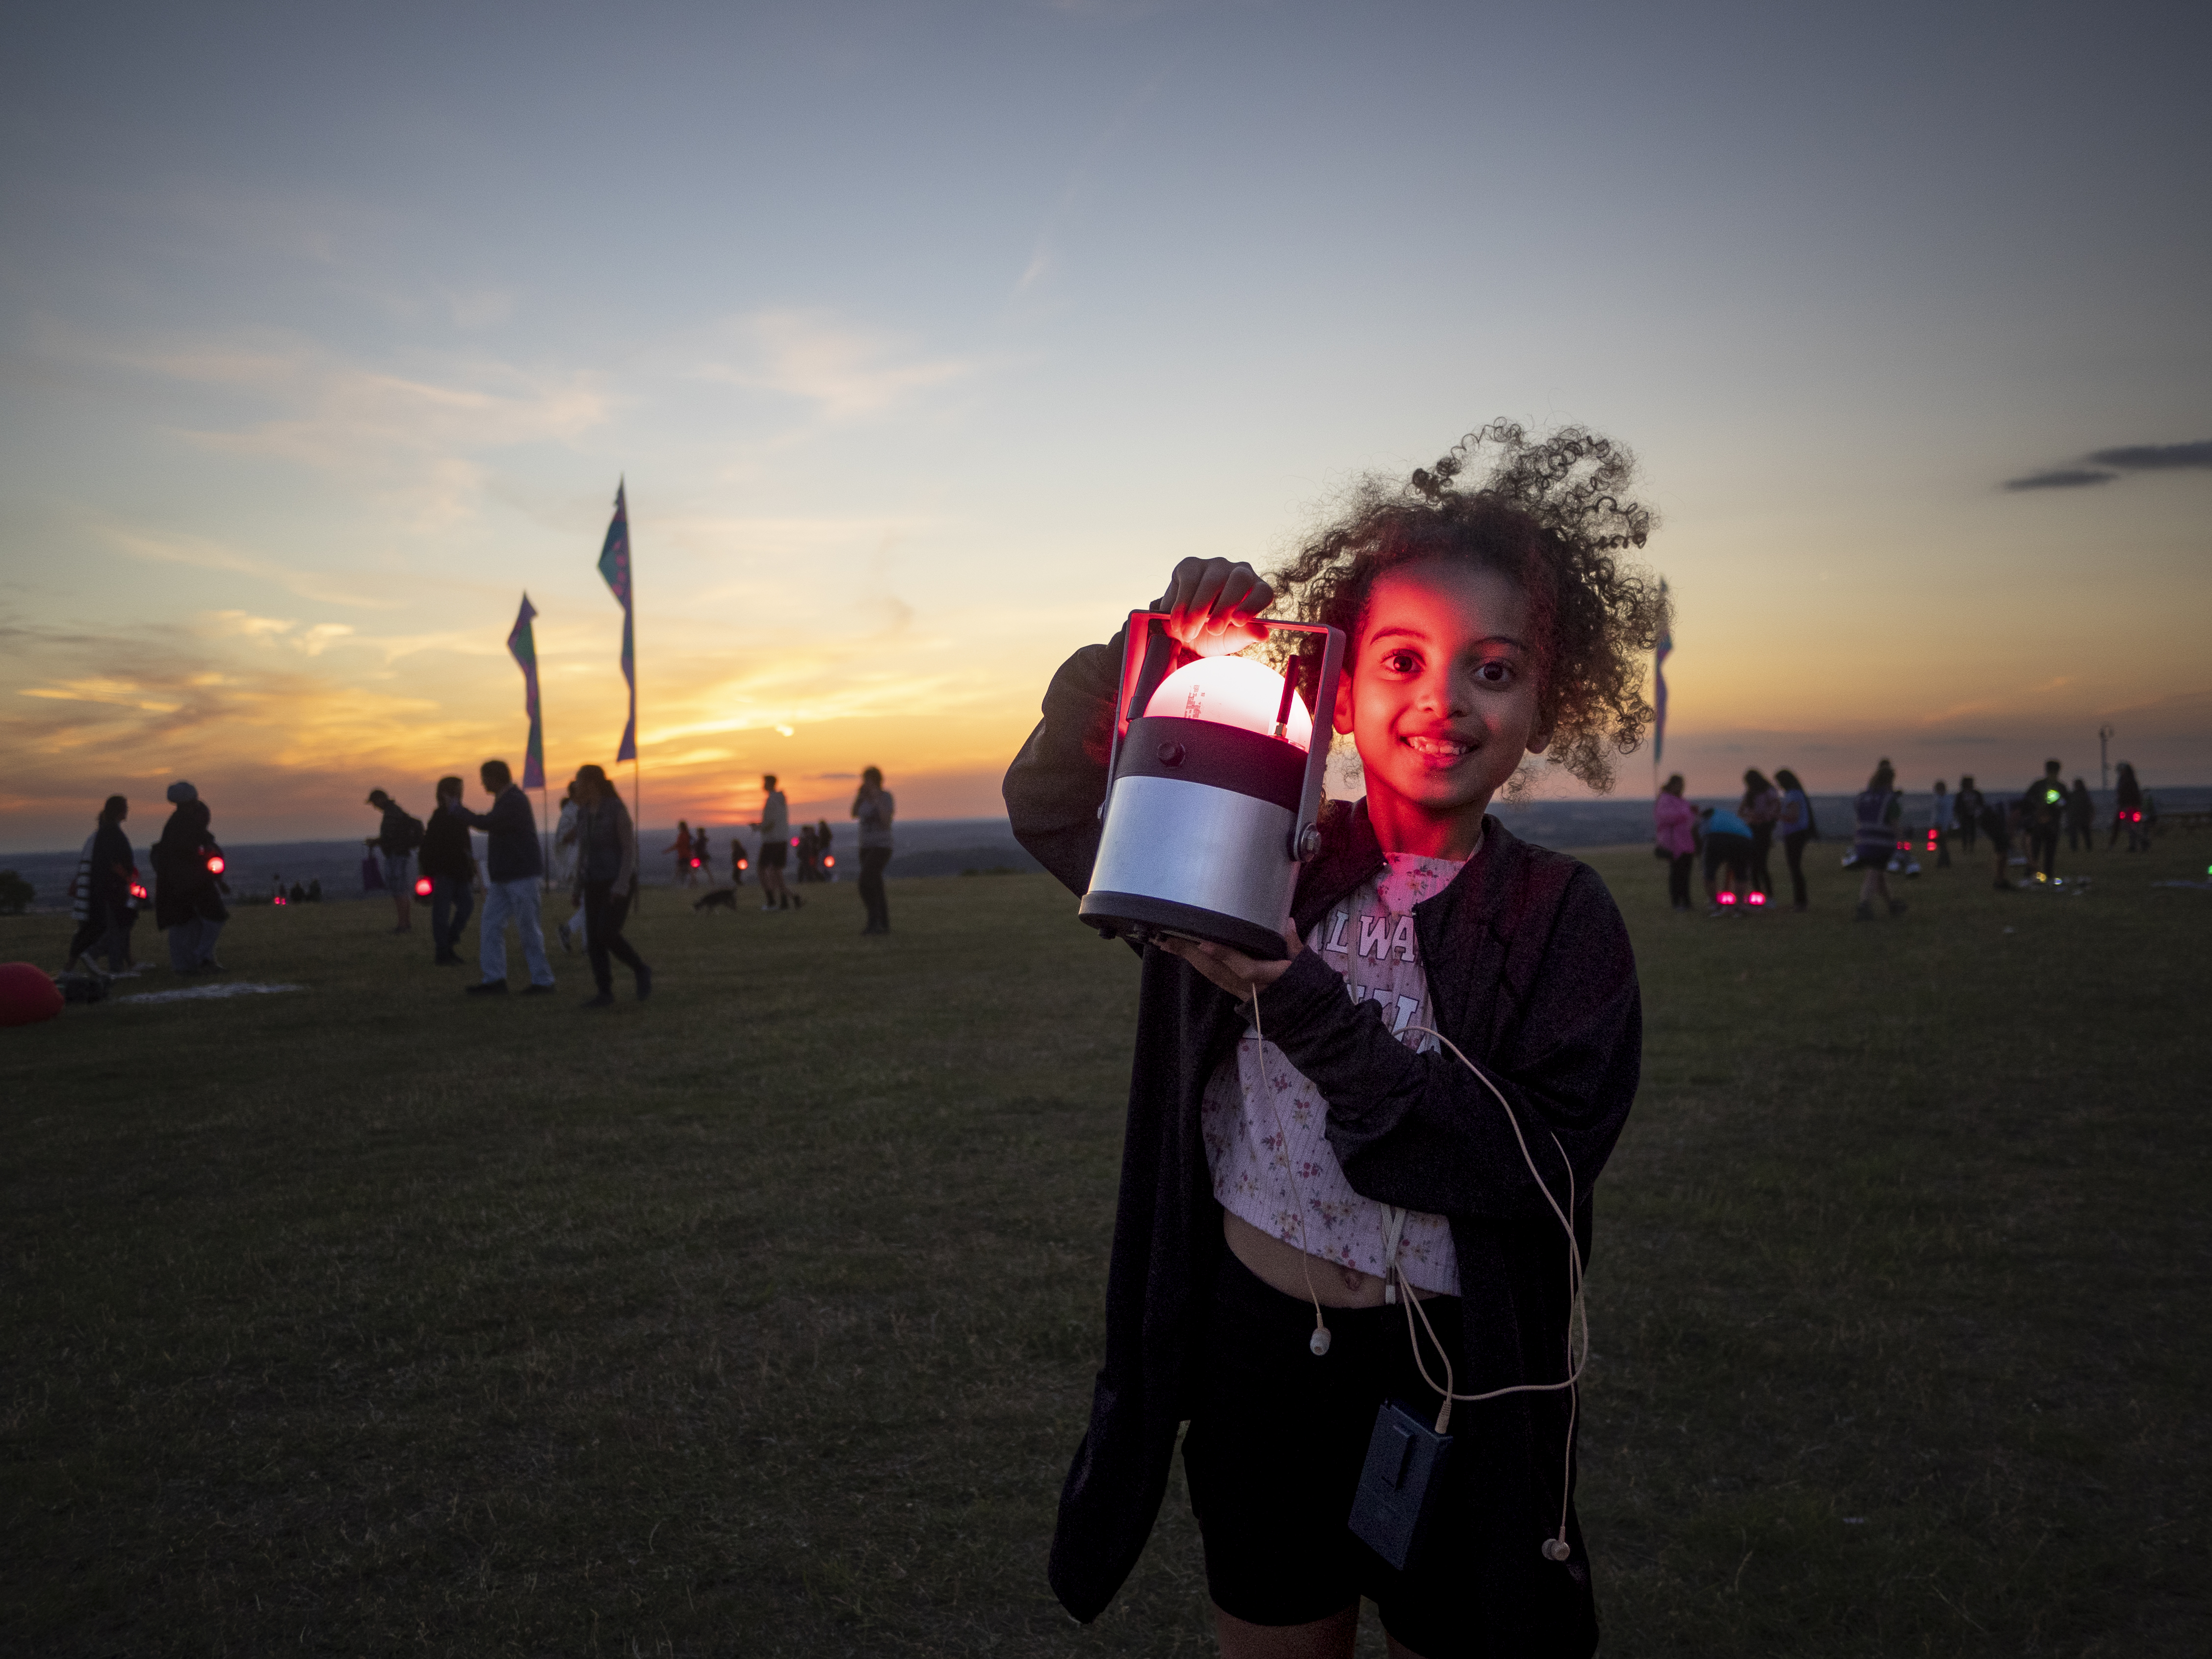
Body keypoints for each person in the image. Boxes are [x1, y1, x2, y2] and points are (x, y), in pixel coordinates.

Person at [1005, 424, 1665, 1659]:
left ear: (1547, 696)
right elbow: (1053, 806)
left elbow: (1537, 1164)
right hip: (1258, 1348)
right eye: (1404, 660)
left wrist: (1297, 1000)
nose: (1443, 702)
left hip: (1461, 1372)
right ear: (1339, 686)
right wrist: (1143, 647)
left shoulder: (1559, 917)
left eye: (1494, 669)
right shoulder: (1258, 857)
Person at [449, 759, 554, 996]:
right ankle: (495, 980)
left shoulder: (514, 801)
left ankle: (543, 981)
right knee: (491, 926)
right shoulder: (509, 800)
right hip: (507, 876)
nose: (482, 783)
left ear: (494, 778)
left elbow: (487, 823)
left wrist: (459, 811)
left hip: (520, 876)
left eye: (484, 778)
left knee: (527, 929)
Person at [571, 763, 652, 1007]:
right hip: (592, 881)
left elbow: (629, 850)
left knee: (606, 931)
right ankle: (605, 992)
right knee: (594, 939)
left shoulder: (616, 809)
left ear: (591, 784)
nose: (575, 787)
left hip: (617, 880)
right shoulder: (583, 813)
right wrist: (578, 886)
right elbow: (583, 851)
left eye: (579, 782)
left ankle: (640, 969)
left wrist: (621, 884)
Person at [153, 780, 229, 971]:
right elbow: (195, 850)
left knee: (187, 923)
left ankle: (188, 963)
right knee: (210, 918)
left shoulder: (178, 824)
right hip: (191, 882)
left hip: (181, 883)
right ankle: (200, 958)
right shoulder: (183, 826)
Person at [64, 796, 137, 974]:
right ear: (121, 811)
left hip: (102, 888)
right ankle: (105, 963)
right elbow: (116, 863)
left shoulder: (100, 835)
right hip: (109, 889)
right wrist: (127, 878)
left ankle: (70, 968)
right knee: (107, 928)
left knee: (108, 927)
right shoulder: (112, 834)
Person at [417, 775, 479, 966]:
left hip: (460, 871)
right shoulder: (440, 817)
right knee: (442, 913)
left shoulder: (458, 814)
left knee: (466, 905)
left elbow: (465, 844)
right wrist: (428, 873)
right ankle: (443, 951)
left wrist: (470, 866)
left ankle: (448, 943)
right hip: (444, 871)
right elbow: (429, 847)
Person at [1850, 761, 1906, 918]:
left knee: (1878, 875)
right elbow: (1896, 826)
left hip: (1863, 843)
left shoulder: (1862, 798)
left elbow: (1858, 821)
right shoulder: (1889, 800)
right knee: (1873, 874)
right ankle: (1864, 906)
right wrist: (1903, 847)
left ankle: (1892, 905)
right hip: (1881, 844)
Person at [364, 788, 423, 933]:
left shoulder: (391, 813)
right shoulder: (396, 811)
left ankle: (403, 925)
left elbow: (389, 837)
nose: (374, 806)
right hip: (401, 854)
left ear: (379, 799)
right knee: (402, 889)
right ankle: (406, 923)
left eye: (374, 803)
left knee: (398, 890)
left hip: (396, 855)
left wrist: (375, 842)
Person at [853, 766, 896, 933]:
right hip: (866, 846)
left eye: (868, 780)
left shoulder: (886, 797)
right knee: (876, 884)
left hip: (882, 846)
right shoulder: (863, 798)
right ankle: (883, 923)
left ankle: (874, 918)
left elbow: (886, 821)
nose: (865, 783)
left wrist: (876, 800)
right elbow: (854, 813)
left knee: (865, 882)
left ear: (876, 780)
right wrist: (860, 797)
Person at [1770, 768, 1815, 910]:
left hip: (1795, 834)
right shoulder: (1796, 794)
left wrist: (1777, 815)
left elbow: (1793, 817)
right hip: (1797, 834)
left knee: (1795, 868)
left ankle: (1801, 903)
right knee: (1794, 868)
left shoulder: (1793, 795)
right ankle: (1800, 901)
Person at [1700, 803, 1756, 913]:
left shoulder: (1706, 818)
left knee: (1709, 873)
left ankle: (1715, 904)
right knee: (1741, 873)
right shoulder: (1731, 817)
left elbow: (1703, 835)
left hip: (1716, 838)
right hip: (1744, 839)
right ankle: (1740, 905)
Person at [754, 775, 798, 910]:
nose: (763, 785)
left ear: (770, 783)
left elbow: (770, 822)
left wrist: (758, 827)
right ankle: (789, 899)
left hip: (772, 840)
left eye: (765, 782)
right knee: (776, 872)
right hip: (782, 839)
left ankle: (771, 901)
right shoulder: (781, 800)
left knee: (762, 870)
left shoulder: (772, 800)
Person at [1653, 775, 1696, 910]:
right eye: (1679, 785)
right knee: (1677, 873)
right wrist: (1685, 814)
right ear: (1672, 785)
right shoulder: (1665, 800)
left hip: (1686, 840)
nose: (1681, 787)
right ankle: (1677, 902)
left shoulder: (1681, 801)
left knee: (1686, 872)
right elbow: (1665, 817)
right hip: (1674, 842)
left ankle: (1687, 901)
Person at [2020, 760, 2067, 882]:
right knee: (2035, 850)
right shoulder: (2042, 786)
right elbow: (2028, 801)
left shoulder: (2058, 787)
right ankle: (2032, 874)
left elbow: (2066, 803)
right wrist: (2038, 810)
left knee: (2049, 851)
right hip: (2040, 823)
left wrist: (2058, 806)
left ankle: (2047, 875)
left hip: (2052, 823)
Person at [1738, 770, 1781, 899]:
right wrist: (1751, 816)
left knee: (1761, 865)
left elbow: (1776, 806)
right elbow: (1741, 811)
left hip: (1764, 830)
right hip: (1753, 830)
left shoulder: (1769, 791)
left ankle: (1769, 896)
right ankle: (1758, 896)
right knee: (1753, 867)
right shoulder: (1750, 794)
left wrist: (1766, 816)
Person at [2111, 761, 2144, 851]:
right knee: (2129, 826)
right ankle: (2137, 844)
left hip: (2128, 807)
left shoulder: (2127, 781)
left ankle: (2137, 844)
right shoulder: (2128, 780)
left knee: (2130, 826)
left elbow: (2131, 795)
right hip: (2128, 806)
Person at [1953, 775, 1984, 855]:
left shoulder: (1976, 794)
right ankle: (1965, 847)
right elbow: (1957, 806)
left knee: (1973, 831)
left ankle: (1971, 847)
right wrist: (1957, 814)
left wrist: (1979, 814)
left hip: (1974, 815)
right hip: (1964, 815)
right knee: (1964, 831)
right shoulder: (1961, 795)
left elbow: (1981, 804)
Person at [2065, 778, 2095, 853]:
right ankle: (2077, 848)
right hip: (2078, 818)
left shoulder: (2080, 795)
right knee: (2079, 834)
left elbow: (2090, 806)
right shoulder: (2082, 795)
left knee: (2084, 834)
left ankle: (2085, 848)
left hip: (2080, 818)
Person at [1927, 780, 1952, 868]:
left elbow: (1945, 815)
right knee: (1942, 844)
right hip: (1938, 824)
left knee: (1942, 844)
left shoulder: (1944, 800)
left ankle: (1942, 863)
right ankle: (1946, 862)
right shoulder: (1940, 798)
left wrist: (1944, 827)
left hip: (1940, 825)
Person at [667, 820, 696, 887]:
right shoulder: (688, 835)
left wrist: (668, 850)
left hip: (683, 855)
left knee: (679, 870)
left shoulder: (682, 836)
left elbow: (677, 845)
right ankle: (694, 883)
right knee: (689, 870)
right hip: (687, 855)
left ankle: (673, 884)